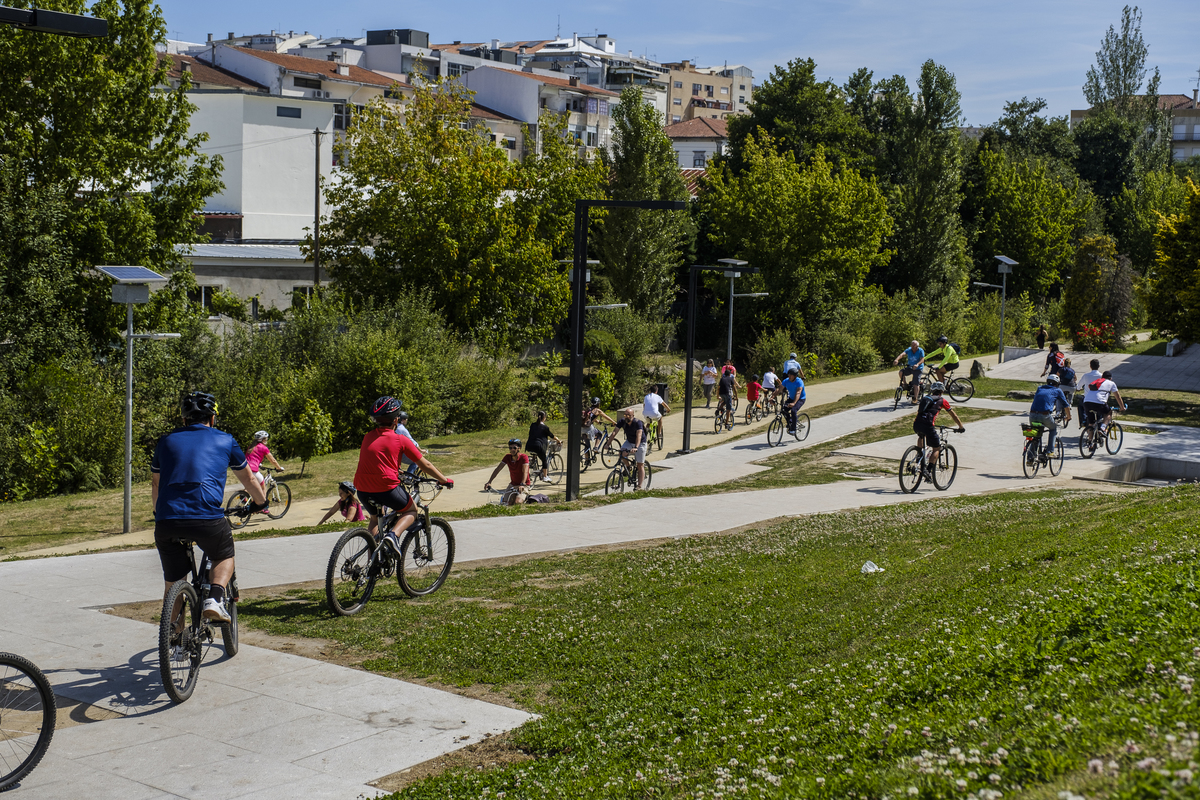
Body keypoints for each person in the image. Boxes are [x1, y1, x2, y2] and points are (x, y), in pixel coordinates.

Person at [152, 392, 268, 624]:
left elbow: (156, 483)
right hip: (206, 517)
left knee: (173, 584)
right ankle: (214, 600)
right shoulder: (225, 440)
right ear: (212, 418)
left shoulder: (165, 441)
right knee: (224, 554)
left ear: (184, 419)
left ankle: (174, 640)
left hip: (167, 520)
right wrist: (261, 502)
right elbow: (249, 480)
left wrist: (160, 515)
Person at [354, 396, 454, 544]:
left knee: (375, 519)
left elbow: (377, 459)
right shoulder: (400, 440)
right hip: (386, 488)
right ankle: (393, 536)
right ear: (396, 420)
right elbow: (425, 465)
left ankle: (373, 565)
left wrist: (396, 470)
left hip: (362, 488)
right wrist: (444, 480)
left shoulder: (367, 437)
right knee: (411, 510)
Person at [911, 382, 966, 478]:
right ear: (942, 391)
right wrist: (961, 427)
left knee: (921, 435)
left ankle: (919, 455)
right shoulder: (942, 400)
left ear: (932, 390)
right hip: (928, 425)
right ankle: (927, 470)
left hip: (916, 424)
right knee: (937, 448)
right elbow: (953, 415)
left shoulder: (925, 398)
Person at [1028, 374, 1072, 459]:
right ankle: (1050, 451)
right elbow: (1066, 405)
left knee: (1036, 434)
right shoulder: (1057, 390)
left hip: (1032, 414)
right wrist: (1068, 416)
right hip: (1044, 415)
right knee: (1053, 428)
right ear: (1057, 383)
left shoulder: (1040, 388)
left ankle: (1030, 458)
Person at [605, 407, 647, 489]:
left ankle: (639, 486)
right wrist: (608, 444)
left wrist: (636, 447)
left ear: (633, 415)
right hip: (629, 441)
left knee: (640, 465)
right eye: (625, 415)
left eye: (628, 415)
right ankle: (628, 467)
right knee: (621, 453)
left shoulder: (637, 423)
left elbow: (639, 435)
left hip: (640, 443)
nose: (626, 416)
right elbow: (614, 432)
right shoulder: (622, 421)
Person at [485, 438, 532, 505]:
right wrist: (489, 481)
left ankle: (526, 497)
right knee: (506, 503)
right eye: (510, 448)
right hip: (513, 485)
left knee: (517, 502)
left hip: (524, 485)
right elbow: (498, 469)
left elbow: (525, 471)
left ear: (519, 448)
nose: (512, 450)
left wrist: (522, 484)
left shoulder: (524, 457)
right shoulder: (507, 457)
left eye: (514, 448)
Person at [526, 410, 561, 481]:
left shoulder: (533, 425)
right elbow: (551, 435)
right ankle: (545, 476)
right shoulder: (545, 427)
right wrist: (557, 440)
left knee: (535, 454)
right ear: (544, 417)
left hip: (529, 445)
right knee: (544, 460)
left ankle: (532, 464)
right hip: (538, 446)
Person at [394, 410, 426, 475]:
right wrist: (421, 450)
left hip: (393, 453)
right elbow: (412, 441)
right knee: (416, 461)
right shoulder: (402, 429)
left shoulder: (393, 427)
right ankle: (408, 477)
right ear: (402, 420)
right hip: (400, 453)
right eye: (406, 419)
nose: (407, 420)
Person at [776, 367, 806, 434]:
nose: (789, 376)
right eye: (788, 374)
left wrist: (794, 403)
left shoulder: (799, 382)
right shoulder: (786, 381)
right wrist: (772, 398)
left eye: (791, 375)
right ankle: (790, 422)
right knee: (784, 410)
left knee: (793, 411)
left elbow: (798, 393)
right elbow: (779, 390)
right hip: (791, 398)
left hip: (800, 399)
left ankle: (793, 429)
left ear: (795, 376)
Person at [1057, 358, 1078, 424]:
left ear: (1064, 363)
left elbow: (1056, 377)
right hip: (1071, 387)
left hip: (1062, 386)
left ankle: (1058, 411)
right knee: (1071, 393)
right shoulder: (1072, 370)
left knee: (1059, 397)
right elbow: (1075, 379)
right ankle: (1070, 403)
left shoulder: (1061, 369)